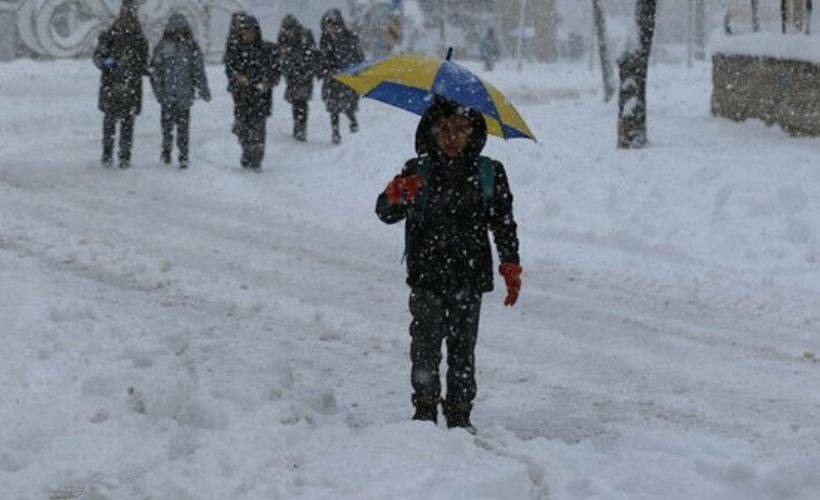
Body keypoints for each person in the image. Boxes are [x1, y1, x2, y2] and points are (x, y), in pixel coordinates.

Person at [375, 98, 522, 431]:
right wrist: (397, 193)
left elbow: (503, 223)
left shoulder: (489, 173)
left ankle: (459, 417)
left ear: (474, 133)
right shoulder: (418, 170)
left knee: (462, 351)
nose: (451, 137)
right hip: (427, 275)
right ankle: (424, 414)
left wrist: (510, 265)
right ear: (431, 131)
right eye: (443, 130)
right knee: (425, 348)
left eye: (460, 129)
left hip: (469, 278)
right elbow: (385, 213)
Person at [150, 13, 211, 169]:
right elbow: (155, 72)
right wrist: (159, 92)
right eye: (176, 30)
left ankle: (183, 155)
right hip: (167, 96)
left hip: (184, 96)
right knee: (167, 127)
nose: (179, 33)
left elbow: (198, 71)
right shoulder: (162, 47)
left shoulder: (191, 48)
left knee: (183, 129)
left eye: (181, 30)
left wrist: (203, 89)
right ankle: (166, 152)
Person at [92, 3, 148, 169]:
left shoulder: (138, 38)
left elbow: (144, 62)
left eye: (129, 16)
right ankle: (108, 154)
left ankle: (124, 156)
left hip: (129, 87)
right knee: (110, 123)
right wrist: (106, 63)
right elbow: (98, 56)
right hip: (114, 85)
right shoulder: (110, 35)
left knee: (126, 124)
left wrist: (138, 67)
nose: (127, 20)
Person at [224, 14, 278, 171]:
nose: (248, 35)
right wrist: (238, 78)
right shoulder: (235, 50)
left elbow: (275, 70)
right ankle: (246, 153)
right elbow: (230, 69)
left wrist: (267, 81)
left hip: (261, 97)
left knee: (258, 131)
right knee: (243, 129)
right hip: (241, 97)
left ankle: (256, 159)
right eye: (244, 32)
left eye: (250, 32)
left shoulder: (266, 49)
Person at [318, 9, 365, 145]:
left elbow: (358, 56)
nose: (332, 29)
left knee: (347, 104)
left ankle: (352, 120)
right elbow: (322, 59)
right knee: (332, 106)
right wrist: (325, 69)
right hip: (332, 78)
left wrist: (354, 70)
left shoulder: (350, 37)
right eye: (329, 26)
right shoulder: (325, 40)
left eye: (334, 26)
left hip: (347, 77)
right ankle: (335, 132)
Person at [277, 15, 317, 142]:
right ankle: (297, 125)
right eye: (286, 30)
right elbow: (280, 55)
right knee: (295, 101)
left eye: (290, 30)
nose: (289, 33)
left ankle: (301, 127)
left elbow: (311, 55)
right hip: (291, 74)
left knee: (302, 101)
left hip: (305, 73)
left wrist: (294, 55)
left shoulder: (305, 36)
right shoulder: (282, 37)